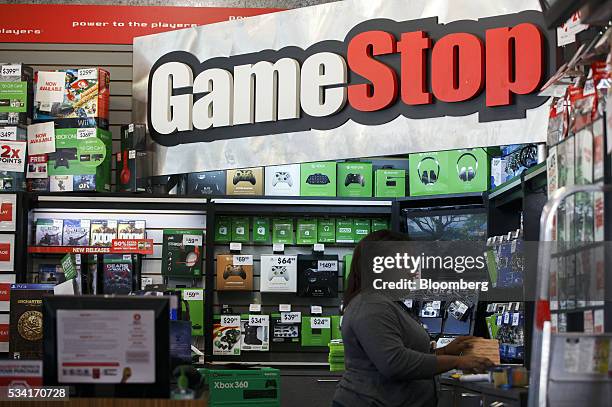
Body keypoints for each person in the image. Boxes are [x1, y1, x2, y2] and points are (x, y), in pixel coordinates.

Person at [333, 230, 494, 407]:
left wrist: (446, 351)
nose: (413, 272)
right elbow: (395, 363)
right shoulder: (372, 305)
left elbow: (403, 353)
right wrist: (457, 361)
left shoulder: (385, 302)